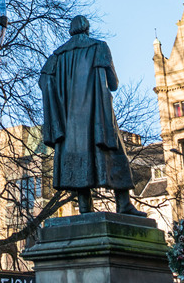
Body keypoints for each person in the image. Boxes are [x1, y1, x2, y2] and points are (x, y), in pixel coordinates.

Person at [39, 15, 147, 216]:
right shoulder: (99, 47)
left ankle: (85, 208)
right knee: (116, 156)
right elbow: (113, 84)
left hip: (70, 124)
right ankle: (123, 203)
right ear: (87, 29)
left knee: (78, 159)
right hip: (98, 117)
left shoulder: (56, 56)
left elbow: (44, 82)